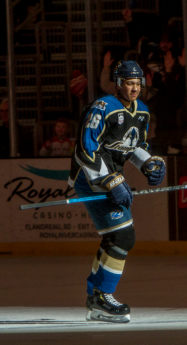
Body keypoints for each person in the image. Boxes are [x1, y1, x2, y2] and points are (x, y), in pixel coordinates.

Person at [68, 60, 166, 323]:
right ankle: (101, 298)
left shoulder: (142, 111)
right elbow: (85, 150)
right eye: (128, 83)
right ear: (118, 83)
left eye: (137, 84)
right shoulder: (103, 108)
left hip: (112, 177)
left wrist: (149, 163)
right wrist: (110, 180)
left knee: (117, 237)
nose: (134, 89)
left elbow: (134, 146)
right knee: (123, 236)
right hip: (90, 178)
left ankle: (96, 295)